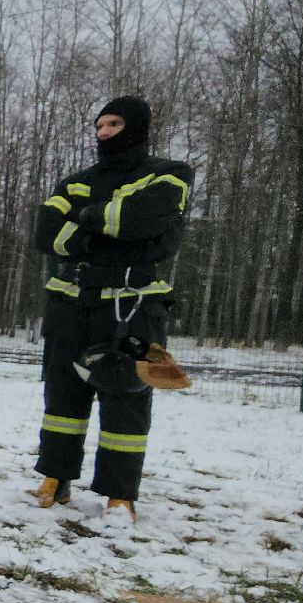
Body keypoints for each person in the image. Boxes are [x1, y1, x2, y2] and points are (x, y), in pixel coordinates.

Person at [30, 96, 193, 523]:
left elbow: (142, 220)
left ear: (136, 126)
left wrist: (84, 222)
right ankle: (55, 477)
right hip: (69, 301)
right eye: (99, 125)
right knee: (62, 393)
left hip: (133, 305)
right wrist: (102, 229)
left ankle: (120, 494)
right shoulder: (77, 180)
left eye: (114, 124)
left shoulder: (170, 174)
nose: (103, 133)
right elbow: (46, 231)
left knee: (127, 395)